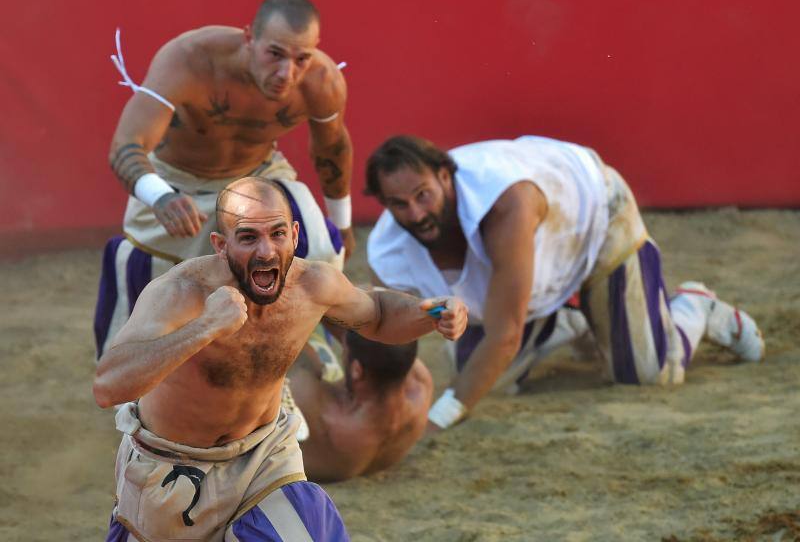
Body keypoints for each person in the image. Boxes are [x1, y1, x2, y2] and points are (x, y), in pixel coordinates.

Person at [93, 176, 467, 541]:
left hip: (264, 456)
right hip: (171, 465)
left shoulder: (312, 285)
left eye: (277, 234)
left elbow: (378, 314)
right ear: (221, 245)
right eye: (248, 237)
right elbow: (108, 387)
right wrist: (204, 328)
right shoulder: (180, 292)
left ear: (295, 235)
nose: (266, 251)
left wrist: (431, 314)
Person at [364, 134, 765, 433]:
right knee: (486, 379)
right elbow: (390, 329)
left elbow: (504, 337)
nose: (416, 214)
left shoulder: (506, 204)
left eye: (423, 195)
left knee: (648, 373)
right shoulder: (388, 249)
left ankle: (694, 308)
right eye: (399, 204)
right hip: (533, 270)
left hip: (597, 219)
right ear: (383, 204)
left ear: (445, 176)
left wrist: (437, 420)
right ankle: (568, 319)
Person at [96, 0, 354, 355]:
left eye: (301, 58)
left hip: (256, 175)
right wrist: (161, 196)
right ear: (250, 37)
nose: (287, 73)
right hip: (177, 182)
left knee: (312, 232)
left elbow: (332, 149)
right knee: (151, 304)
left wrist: (342, 222)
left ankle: (303, 333)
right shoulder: (190, 59)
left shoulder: (321, 81)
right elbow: (126, 145)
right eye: (275, 54)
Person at [286, 326, 433, 482]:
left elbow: (281, 335)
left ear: (357, 371)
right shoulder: (420, 385)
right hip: (365, 460)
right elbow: (388, 346)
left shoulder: (311, 402)